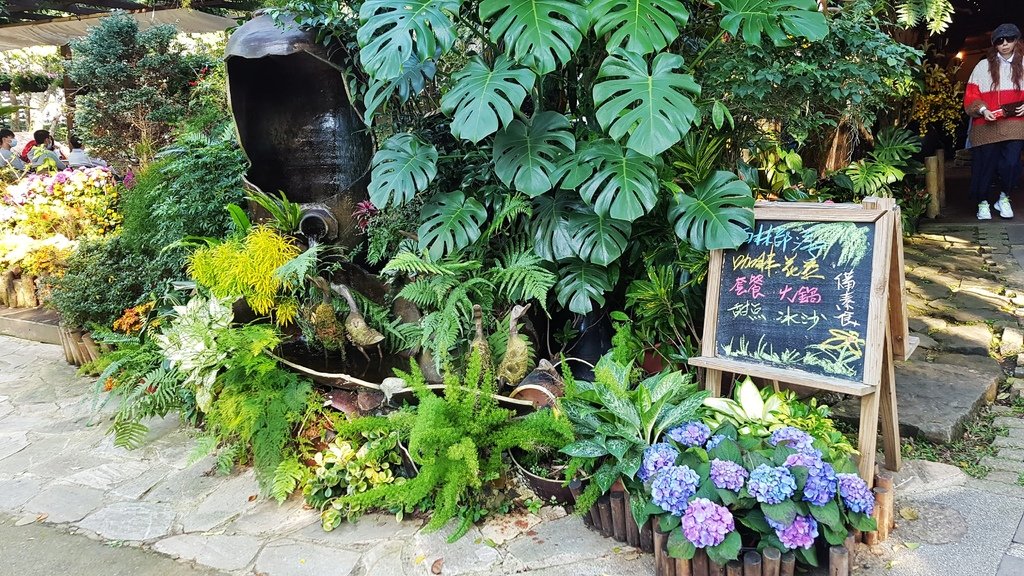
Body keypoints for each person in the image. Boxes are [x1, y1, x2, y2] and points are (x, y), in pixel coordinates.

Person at [965, 23, 1024, 220]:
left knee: (1012, 163)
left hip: (1016, 123)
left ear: (1016, 40)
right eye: (1000, 40)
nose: (1005, 44)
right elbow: (971, 94)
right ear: (994, 44)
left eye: (1009, 39)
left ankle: (1004, 197)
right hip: (986, 123)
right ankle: (983, 202)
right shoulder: (983, 66)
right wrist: (982, 109)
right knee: (984, 165)